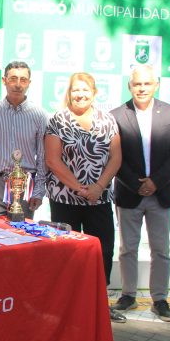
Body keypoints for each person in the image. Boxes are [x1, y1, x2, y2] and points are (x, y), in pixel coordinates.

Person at [45, 73, 125, 323]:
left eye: (85, 90)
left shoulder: (107, 119)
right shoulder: (57, 120)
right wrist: (81, 188)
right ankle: (66, 306)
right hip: (65, 199)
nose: (80, 94)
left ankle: (100, 304)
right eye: (75, 90)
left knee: (103, 251)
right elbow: (52, 160)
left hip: (99, 200)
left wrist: (99, 187)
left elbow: (116, 157)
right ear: (69, 92)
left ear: (94, 92)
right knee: (67, 254)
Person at [111, 64, 170, 322]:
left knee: (160, 249)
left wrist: (155, 182)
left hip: (161, 193)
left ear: (156, 84)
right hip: (129, 194)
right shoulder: (117, 115)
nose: (142, 88)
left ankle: (160, 300)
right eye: (137, 84)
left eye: (147, 83)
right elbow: (115, 157)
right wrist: (137, 184)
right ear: (129, 85)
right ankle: (128, 295)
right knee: (127, 248)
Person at [0, 60, 48, 218]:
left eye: (23, 80)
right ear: (4, 81)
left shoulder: (39, 115)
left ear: (29, 83)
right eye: (13, 79)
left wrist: (38, 191)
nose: (18, 84)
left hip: (24, 184)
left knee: (22, 235)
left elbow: (42, 157)